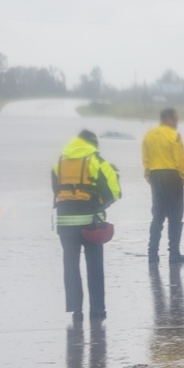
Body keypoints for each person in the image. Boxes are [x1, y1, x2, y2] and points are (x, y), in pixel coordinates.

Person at [52, 129, 122, 323]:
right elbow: (114, 191)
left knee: (71, 265)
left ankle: (76, 309)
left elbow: (56, 190)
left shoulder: (60, 162)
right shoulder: (96, 161)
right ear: (92, 144)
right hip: (90, 223)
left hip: (65, 223)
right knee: (95, 266)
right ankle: (97, 310)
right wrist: (99, 204)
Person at [142, 108, 184, 264]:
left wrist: (150, 177)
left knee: (158, 215)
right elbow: (179, 161)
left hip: (155, 176)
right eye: (176, 118)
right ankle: (174, 254)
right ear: (169, 119)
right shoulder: (174, 135)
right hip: (171, 176)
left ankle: (152, 253)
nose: (177, 121)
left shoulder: (148, 135)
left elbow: (146, 160)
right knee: (175, 216)